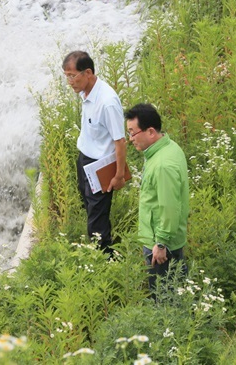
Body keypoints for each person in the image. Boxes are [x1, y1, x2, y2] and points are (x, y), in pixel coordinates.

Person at [62, 51, 127, 254]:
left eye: (73, 76)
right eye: (66, 76)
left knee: (96, 219)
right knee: (89, 207)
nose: (70, 82)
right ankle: (104, 245)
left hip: (101, 166)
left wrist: (118, 175)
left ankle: (103, 260)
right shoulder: (86, 91)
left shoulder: (107, 102)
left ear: (88, 72)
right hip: (85, 160)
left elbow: (120, 141)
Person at [124, 103, 189, 295]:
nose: (130, 139)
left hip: (161, 246)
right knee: (174, 290)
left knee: (164, 297)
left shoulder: (162, 165)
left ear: (150, 132)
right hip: (165, 238)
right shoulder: (168, 147)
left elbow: (169, 208)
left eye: (132, 133)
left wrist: (161, 244)